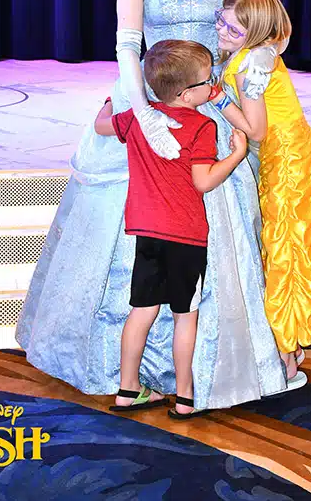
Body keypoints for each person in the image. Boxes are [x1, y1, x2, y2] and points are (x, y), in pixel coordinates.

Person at [16, 0, 306, 411]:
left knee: (225, 227)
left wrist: (252, 73)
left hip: (213, 105)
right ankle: (122, 370)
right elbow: (128, 45)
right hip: (148, 94)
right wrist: (142, 113)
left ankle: (220, 365)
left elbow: (261, 31)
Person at [94, 39, 248, 418]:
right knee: (185, 315)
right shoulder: (202, 125)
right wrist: (236, 155)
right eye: (205, 80)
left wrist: (107, 106)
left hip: (147, 233)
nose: (210, 83)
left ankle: (128, 390)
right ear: (186, 92)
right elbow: (203, 181)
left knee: (141, 311)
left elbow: (101, 127)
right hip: (186, 237)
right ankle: (184, 396)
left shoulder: (139, 117)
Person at [210, 0, 311, 379]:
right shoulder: (265, 46)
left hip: (286, 162)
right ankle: (288, 348)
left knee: (286, 251)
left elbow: (255, 129)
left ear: (254, 33)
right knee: (285, 247)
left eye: (234, 30)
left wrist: (219, 98)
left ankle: (285, 357)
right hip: (294, 152)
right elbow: (281, 35)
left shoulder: (250, 65)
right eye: (222, 20)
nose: (222, 31)